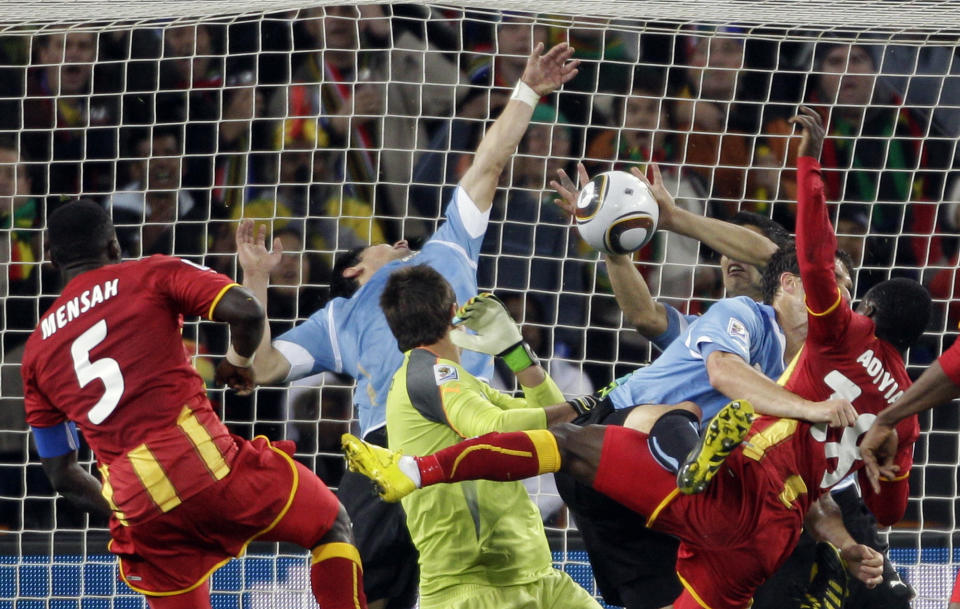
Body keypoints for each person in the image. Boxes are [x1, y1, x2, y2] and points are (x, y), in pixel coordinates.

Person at [240, 42, 579, 609]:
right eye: (384, 244)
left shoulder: (449, 248)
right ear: (353, 270)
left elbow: (489, 159)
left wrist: (527, 91)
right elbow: (263, 366)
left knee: (490, 590)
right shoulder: (339, 318)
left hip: (466, 446)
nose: (401, 241)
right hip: (387, 453)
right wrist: (255, 282)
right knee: (366, 589)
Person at [21, 200, 368, 609]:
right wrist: (235, 363)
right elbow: (247, 310)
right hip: (209, 467)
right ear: (115, 247)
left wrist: (125, 512)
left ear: (51, 259)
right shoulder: (148, 273)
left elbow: (62, 476)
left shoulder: (36, 354)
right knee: (330, 524)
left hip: (140, 507)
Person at [374, 265, 601, 609]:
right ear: (453, 313)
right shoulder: (429, 375)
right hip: (474, 588)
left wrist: (517, 353)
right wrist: (578, 407)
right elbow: (492, 428)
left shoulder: (460, 381)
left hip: (536, 576)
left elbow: (554, 418)